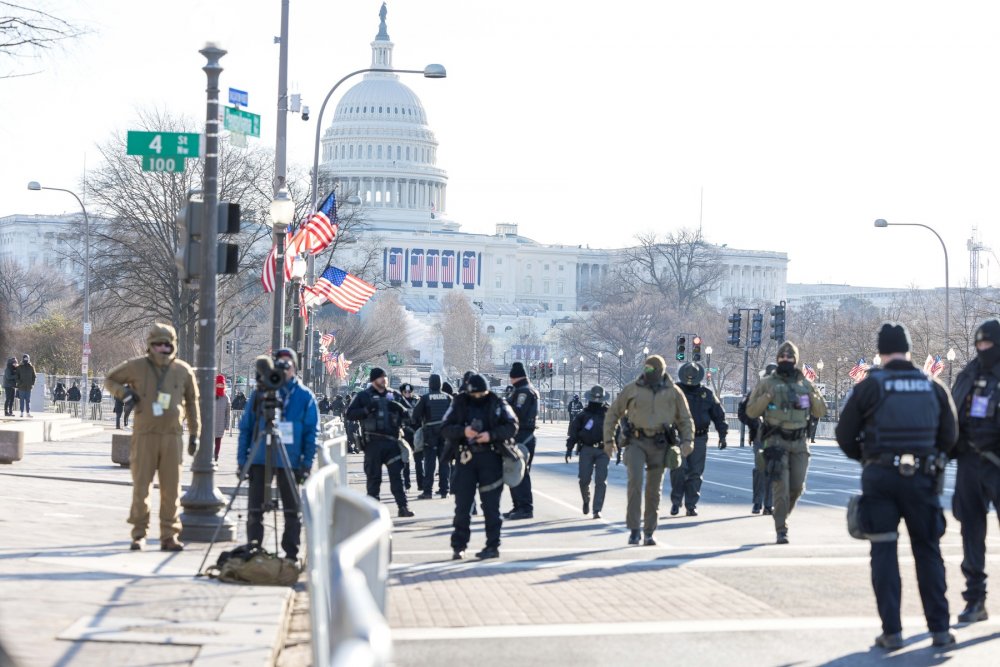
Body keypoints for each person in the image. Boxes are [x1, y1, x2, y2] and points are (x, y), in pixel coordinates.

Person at [836, 322, 957, 649]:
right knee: (928, 552)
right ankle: (940, 630)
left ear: (880, 351)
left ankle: (892, 632)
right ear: (908, 349)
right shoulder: (932, 385)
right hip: (922, 479)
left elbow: (844, 435)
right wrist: (933, 456)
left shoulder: (869, 387)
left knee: (884, 552)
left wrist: (868, 458)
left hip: (882, 478)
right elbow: (951, 435)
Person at [105, 323, 200, 551]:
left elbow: (193, 404)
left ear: (173, 345)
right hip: (145, 435)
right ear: (150, 345)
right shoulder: (137, 367)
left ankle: (169, 535)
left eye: (166, 344)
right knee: (141, 487)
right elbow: (110, 379)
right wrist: (125, 393)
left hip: (172, 436)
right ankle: (139, 533)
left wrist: (195, 433)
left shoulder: (183, 370)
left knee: (172, 489)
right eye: (157, 344)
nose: (162, 348)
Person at [603, 354, 695, 546]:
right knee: (635, 483)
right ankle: (634, 529)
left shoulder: (673, 392)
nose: (649, 373)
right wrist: (608, 440)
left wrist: (688, 440)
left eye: (653, 370)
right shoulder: (633, 389)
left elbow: (685, 419)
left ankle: (649, 531)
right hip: (636, 441)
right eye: (647, 369)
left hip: (660, 444)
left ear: (661, 371)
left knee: (654, 490)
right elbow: (613, 413)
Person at [237, 349, 317, 563]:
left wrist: (306, 463)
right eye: (279, 364)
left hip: (289, 459)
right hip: (261, 457)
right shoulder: (261, 392)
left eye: (288, 364)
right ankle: (254, 549)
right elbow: (246, 427)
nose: (284, 368)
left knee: (292, 510)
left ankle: (291, 554)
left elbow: (311, 433)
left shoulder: (304, 395)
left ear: (295, 367)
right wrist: (242, 460)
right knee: (255, 509)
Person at [745, 341, 826, 544]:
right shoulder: (767, 383)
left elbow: (820, 411)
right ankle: (781, 528)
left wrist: (811, 395)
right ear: (777, 359)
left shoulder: (805, 384)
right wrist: (767, 397)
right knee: (780, 489)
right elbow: (751, 411)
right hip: (776, 441)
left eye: (790, 358)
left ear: (795, 360)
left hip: (799, 442)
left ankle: (781, 515)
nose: (786, 360)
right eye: (783, 357)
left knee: (797, 487)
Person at [950, 318, 1000, 625]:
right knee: (971, 532)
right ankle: (975, 599)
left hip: (997, 463)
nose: (982, 349)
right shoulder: (969, 372)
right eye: (978, 344)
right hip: (969, 462)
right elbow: (952, 412)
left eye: (988, 344)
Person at [442, 373, 518, 559]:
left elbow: (512, 425)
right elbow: (444, 427)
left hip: (490, 458)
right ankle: (458, 546)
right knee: (462, 506)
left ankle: (492, 546)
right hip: (466, 458)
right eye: (475, 395)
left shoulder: (497, 403)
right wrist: (463, 431)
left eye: (481, 394)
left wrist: (491, 435)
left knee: (491, 507)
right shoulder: (459, 403)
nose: (478, 398)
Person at [345, 367, 414, 517]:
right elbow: (349, 414)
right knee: (373, 478)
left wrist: (400, 408)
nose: (384, 379)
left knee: (397, 477)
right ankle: (372, 512)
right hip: (372, 444)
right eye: (380, 377)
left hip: (392, 443)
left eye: (385, 376)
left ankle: (403, 507)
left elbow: (411, 414)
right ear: (373, 380)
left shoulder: (394, 395)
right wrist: (366, 410)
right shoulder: (364, 396)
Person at [670, 362, 728, 517]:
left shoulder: (707, 394)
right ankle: (676, 501)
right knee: (679, 469)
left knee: (695, 473)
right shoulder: (674, 391)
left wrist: (723, 435)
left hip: (699, 437)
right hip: (678, 436)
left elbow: (719, 415)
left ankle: (691, 505)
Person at [566, 384, 610, 518]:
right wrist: (569, 448)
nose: (596, 401)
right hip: (586, 448)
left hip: (604, 450)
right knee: (584, 479)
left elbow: (617, 431)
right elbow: (573, 433)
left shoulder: (609, 414)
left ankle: (597, 509)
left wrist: (618, 449)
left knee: (601, 481)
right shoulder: (583, 415)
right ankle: (586, 499)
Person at [504, 362, 539, 520]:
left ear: (514, 377)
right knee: (515, 471)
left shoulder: (524, 392)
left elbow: (518, 412)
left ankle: (525, 507)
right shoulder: (523, 389)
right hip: (520, 436)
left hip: (523, 436)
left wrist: (505, 405)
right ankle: (518, 505)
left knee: (520, 472)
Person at [739, 367, 774, 514]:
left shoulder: (784, 393)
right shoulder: (756, 392)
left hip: (778, 438)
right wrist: (753, 423)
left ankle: (768, 504)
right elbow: (743, 410)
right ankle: (758, 502)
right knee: (760, 470)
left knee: (773, 471)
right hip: (760, 437)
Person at [412, 374, 453, 499]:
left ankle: (428, 491)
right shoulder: (448, 397)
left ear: (429, 384)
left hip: (430, 434)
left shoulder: (425, 398)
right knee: (444, 462)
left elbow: (415, 416)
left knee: (430, 464)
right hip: (446, 433)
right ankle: (444, 490)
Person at [398, 383, 424, 493]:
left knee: (419, 460)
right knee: (405, 460)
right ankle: (407, 484)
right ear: (402, 392)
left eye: (409, 391)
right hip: (405, 433)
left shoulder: (417, 401)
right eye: (405, 392)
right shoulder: (399, 402)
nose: (408, 393)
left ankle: (421, 484)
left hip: (417, 433)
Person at [213, 374, 231, 462]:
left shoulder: (226, 398)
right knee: (208, 442)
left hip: (220, 424)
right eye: (218, 384)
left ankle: (216, 456)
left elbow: (228, 413)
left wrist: (227, 425)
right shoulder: (211, 396)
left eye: (222, 384)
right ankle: (209, 457)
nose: (220, 386)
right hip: (211, 424)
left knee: (218, 441)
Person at [15, 354, 36, 418]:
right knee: (21, 400)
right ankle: (21, 413)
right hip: (21, 387)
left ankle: (28, 413)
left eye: (27, 359)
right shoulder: (19, 367)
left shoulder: (31, 367)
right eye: (25, 359)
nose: (26, 360)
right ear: (23, 359)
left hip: (28, 387)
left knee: (28, 400)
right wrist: (19, 383)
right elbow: (16, 377)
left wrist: (32, 384)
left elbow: (34, 376)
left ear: (29, 359)